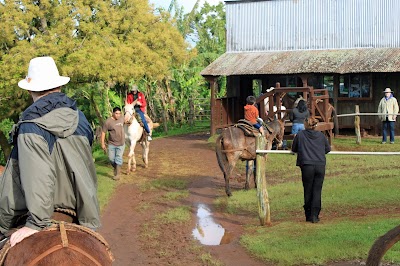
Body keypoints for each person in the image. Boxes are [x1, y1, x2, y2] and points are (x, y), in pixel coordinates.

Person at [0, 56, 100, 247]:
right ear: (58, 86)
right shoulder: (81, 119)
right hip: (84, 212)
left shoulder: (30, 126)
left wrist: (36, 223)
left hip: (39, 213)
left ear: (30, 89)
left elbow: (38, 176)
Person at [291, 116, 331, 223]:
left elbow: (293, 148)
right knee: (317, 191)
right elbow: (328, 149)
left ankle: (308, 215)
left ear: (305, 124)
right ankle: (315, 216)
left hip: (307, 166)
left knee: (308, 190)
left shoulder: (300, 135)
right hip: (320, 165)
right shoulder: (321, 136)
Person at [101, 107, 125, 181]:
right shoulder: (108, 122)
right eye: (116, 113)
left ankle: (117, 174)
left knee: (118, 158)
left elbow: (127, 121)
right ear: (113, 113)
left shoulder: (122, 118)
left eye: (119, 113)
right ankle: (116, 168)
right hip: (112, 143)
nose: (118, 115)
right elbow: (103, 132)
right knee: (111, 159)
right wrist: (102, 143)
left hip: (121, 143)